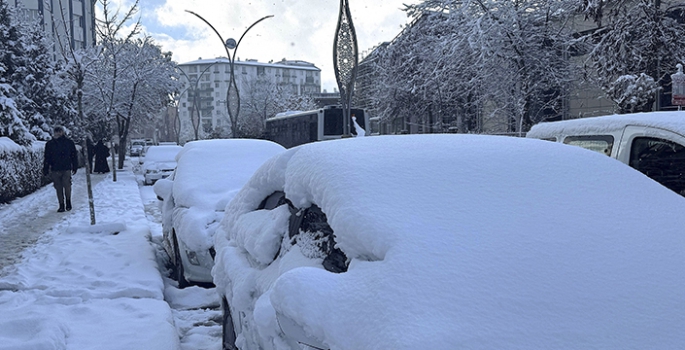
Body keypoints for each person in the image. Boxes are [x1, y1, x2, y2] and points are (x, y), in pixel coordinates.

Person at [43, 126, 78, 212]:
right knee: (58, 188)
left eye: (60, 131)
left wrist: (74, 165)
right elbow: (47, 157)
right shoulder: (50, 144)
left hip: (66, 168)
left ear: (63, 132)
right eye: (56, 131)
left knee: (67, 186)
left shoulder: (69, 143)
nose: (58, 133)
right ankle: (61, 204)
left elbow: (73, 155)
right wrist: (46, 168)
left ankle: (68, 202)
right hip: (55, 169)